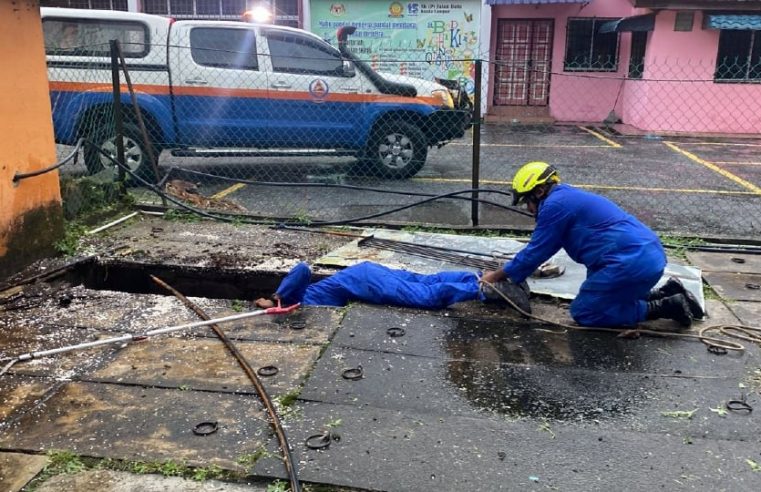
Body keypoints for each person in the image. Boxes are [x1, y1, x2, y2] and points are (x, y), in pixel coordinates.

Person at [481, 161, 703, 329]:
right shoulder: (567, 196)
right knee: (602, 297)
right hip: (647, 256)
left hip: (631, 262)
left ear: (539, 191)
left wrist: (496, 276)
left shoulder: (554, 206)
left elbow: (536, 252)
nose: (528, 209)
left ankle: (666, 306)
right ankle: (666, 291)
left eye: (527, 201)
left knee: (585, 312)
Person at [254, 261, 531, 312]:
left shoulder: (289, 299)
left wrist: (276, 297)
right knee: (426, 281)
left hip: (363, 281)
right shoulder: (296, 305)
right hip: (364, 274)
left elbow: (302, 268)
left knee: (425, 297)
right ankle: (483, 277)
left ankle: (486, 289)